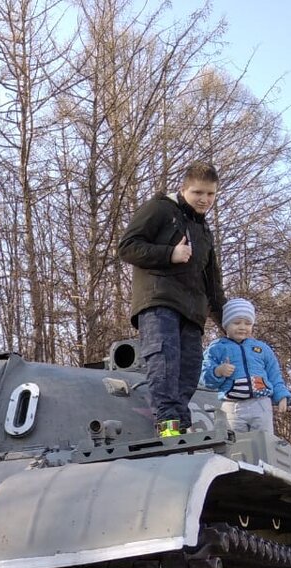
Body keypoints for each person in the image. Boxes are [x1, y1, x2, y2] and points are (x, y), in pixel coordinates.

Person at [118, 161, 226, 438]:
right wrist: (169, 254)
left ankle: (181, 425)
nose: (204, 200)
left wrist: (226, 320)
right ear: (184, 189)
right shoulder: (160, 208)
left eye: (210, 194)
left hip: (192, 311)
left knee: (189, 372)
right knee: (164, 363)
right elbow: (128, 246)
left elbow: (212, 282)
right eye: (198, 193)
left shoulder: (203, 231)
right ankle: (167, 425)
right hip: (159, 299)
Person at [201, 298, 291, 435]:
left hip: (261, 403)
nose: (242, 327)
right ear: (226, 324)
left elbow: (274, 374)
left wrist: (281, 396)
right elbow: (205, 376)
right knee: (234, 443)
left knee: (264, 442)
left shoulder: (262, 348)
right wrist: (218, 371)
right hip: (232, 404)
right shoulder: (217, 348)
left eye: (248, 323)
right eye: (236, 323)